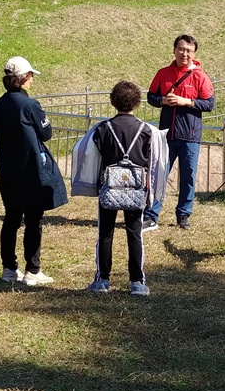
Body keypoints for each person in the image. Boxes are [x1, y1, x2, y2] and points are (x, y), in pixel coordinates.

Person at [86, 81, 162, 297]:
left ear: (113, 101)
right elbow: (151, 160)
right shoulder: (146, 130)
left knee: (105, 233)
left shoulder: (102, 129)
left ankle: (102, 279)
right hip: (136, 188)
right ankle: (137, 281)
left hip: (109, 187)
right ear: (137, 102)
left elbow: (94, 155)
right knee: (134, 232)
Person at [0, 56, 56, 286]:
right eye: (29, 76)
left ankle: (9, 268)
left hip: (9, 169)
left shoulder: (0, 103)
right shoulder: (30, 105)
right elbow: (46, 133)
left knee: (11, 218)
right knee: (33, 219)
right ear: (22, 78)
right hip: (30, 169)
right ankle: (32, 269)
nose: (31, 80)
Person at [144, 34, 215, 231]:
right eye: (181, 49)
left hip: (190, 137)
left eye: (189, 51)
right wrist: (161, 101)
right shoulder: (163, 73)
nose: (184, 53)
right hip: (166, 135)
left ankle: (184, 214)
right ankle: (151, 215)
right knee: (158, 175)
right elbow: (151, 96)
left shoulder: (200, 76)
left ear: (194, 54)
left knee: (188, 177)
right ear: (174, 50)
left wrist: (188, 102)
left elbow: (209, 104)